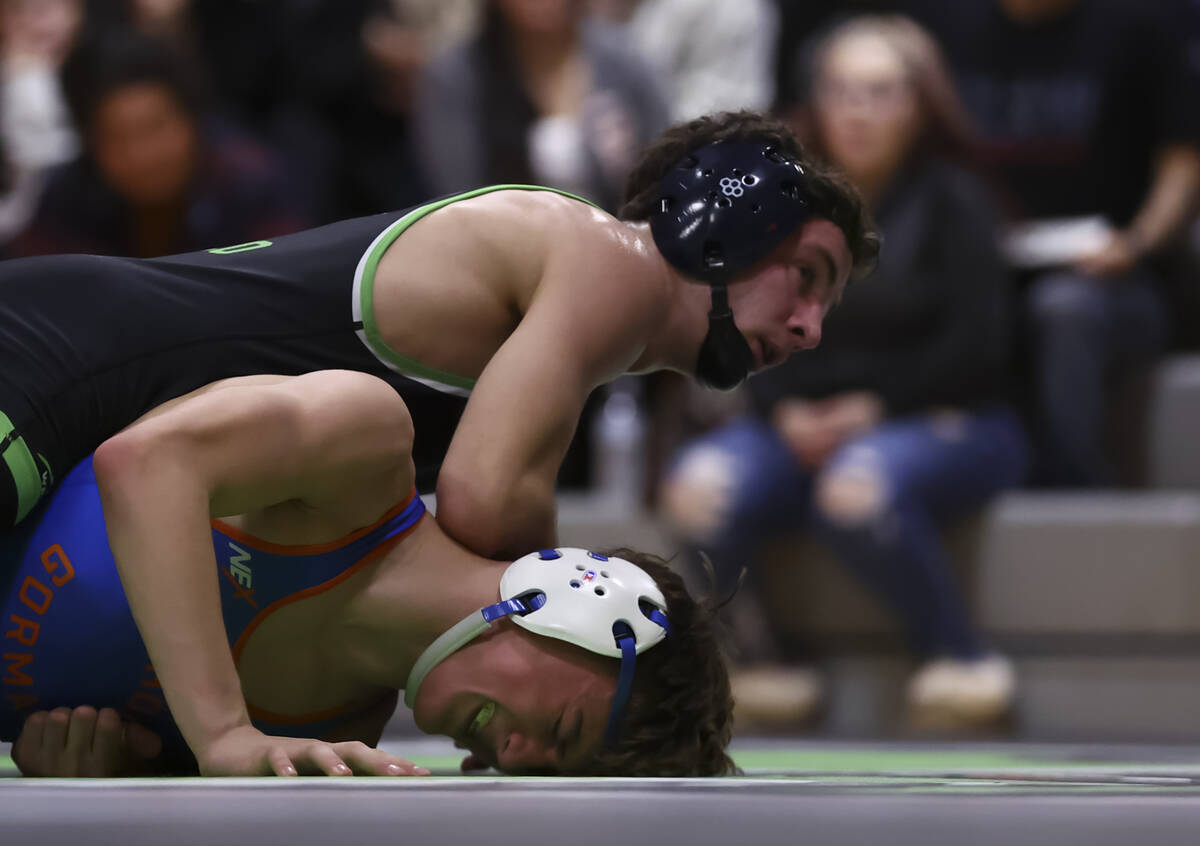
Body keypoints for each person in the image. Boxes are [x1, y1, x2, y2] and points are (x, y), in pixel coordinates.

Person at [0, 110, 879, 565]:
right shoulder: (608, 262)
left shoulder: (581, 317)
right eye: (807, 277)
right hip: (56, 351)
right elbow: (483, 503)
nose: (809, 330)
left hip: (86, 392)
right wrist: (586, 586)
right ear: (728, 218)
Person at [2, 370, 734, 777]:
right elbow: (147, 463)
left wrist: (95, 765)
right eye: (562, 729)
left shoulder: (332, 734)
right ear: (581, 600)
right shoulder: (363, 454)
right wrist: (220, 730)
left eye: (546, 768)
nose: (514, 756)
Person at [661, 16, 1026, 728]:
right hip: (799, 423)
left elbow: (979, 347)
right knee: (696, 489)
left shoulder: (957, 199)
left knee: (856, 489)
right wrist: (785, 410)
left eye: (882, 92)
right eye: (842, 90)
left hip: (945, 416)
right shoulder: (779, 206)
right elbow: (738, 328)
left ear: (919, 104)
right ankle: (760, 662)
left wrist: (875, 407)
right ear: (815, 100)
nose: (859, 110)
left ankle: (956, 654)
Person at [912, 0, 1200, 486]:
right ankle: (935, 458)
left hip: (1115, 275)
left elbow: (1183, 160)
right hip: (985, 263)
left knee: (1063, 308)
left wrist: (1136, 244)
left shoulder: (1141, 23)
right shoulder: (944, 25)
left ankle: (1069, 488)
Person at [7, 28, 309, 258]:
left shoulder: (250, 181)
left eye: (155, 128)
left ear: (191, 118)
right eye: (116, 136)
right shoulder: (66, 197)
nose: (141, 155)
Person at [415, 0, 668, 212]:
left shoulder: (623, 56)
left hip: (625, 247)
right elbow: (458, 200)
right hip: (507, 254)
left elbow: (662, 169)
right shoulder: (456, 77)